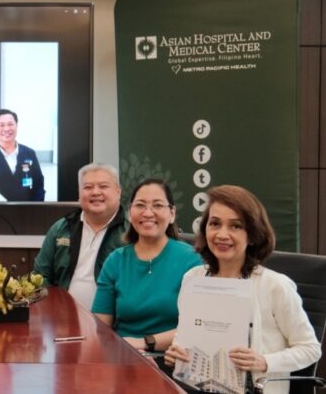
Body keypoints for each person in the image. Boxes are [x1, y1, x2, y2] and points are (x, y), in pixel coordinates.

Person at [164, 185, 321, 394]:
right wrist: (176, 354)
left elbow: (311, 349)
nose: (222, 234)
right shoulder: (193, 278)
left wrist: (265, 361)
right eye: (215, 223)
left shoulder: (274, 286)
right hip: (195, 387)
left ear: (253, 235)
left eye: (235, 226)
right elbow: (185, 336)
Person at [91, 178, 201, 355]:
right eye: (140, 205)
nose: (148, 213)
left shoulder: (192, 261)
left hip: (173, 358)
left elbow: (199, 327)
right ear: (130, 213)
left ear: (172, 213)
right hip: (123, 356)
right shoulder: (116, 261)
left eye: (157, 205)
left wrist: (145, 342)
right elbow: (100, 327)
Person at [33, 163, 126, 309]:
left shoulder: (132, 231)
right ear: (79, 193)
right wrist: (54, 305)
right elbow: (39, 276)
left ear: (118, 192)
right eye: (88, 187)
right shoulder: (61, 228)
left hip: (114, 317)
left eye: (103, 186)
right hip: (63, 316)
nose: (95, 192)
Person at [0, 108, 45, 201]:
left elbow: (38, 184)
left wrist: (35, 207)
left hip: (27, 207)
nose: (7, 129)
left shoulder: (29, 153)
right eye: (1, 125)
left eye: (10, 124)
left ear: (17, 126)